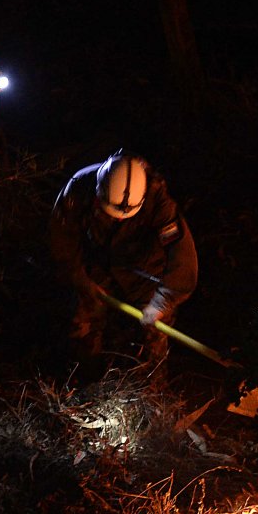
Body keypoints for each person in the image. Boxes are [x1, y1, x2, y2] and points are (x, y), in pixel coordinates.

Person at [50, 149, 198, 377]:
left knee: (155, 332)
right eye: (111, 211)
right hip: (98, 264)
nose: (118, 217)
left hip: (144, 271)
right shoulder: (79, 187)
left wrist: (162, 301)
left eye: (125, 214)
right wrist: (80, 278)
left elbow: (183, 257)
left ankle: (152, 395)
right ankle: (83, 384)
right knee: (82, 322)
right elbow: (62, 238)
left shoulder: (158, 199)